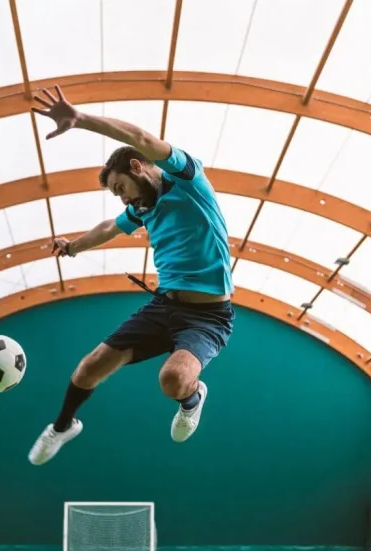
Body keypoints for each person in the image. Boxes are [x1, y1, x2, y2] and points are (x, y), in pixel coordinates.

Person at [25, 86, 235, 466]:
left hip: (208, 317)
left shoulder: (187, 180)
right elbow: (109, 227)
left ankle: (192, 399)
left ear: (137, 167)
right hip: (162, 307)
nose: (123, 198)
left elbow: (138, 138)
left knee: (172, 380)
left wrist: (81, 119)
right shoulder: (143, 208)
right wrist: (72, 247)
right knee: (89, 369)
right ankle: (62, 426)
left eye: (121, 187)